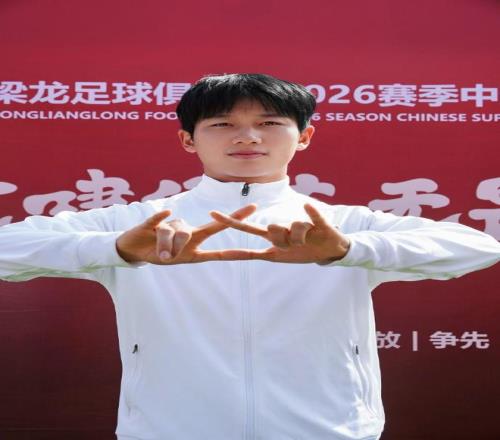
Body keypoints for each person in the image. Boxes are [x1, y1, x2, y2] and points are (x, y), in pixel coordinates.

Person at [0, 73, 499, 440]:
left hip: (329, 429)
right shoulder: (139, 224)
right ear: (188, 139)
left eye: (269, 122)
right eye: (222, 123)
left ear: (304, 136)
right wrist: (112, 249)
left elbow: (480, 247)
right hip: (170, 430)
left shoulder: (338, 225)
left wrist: (350, 251)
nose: (247, 136)